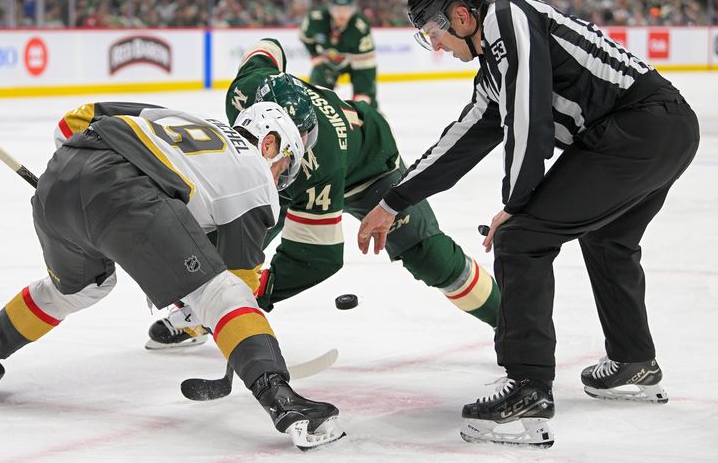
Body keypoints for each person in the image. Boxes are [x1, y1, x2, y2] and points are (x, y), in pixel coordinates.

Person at [357, 0, 699, 448]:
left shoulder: (508, 17)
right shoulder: (493, 71)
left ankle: (528, 386)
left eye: (433, 31)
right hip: (660, 130)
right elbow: (456, 146)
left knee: (521, 238)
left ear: (460, 16)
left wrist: (516, 206)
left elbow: (529, 122)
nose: (434, 45)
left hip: (640, 126)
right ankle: (634, 361)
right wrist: (392, 202)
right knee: (608, 238)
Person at [0, 102, 345, 451]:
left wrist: (75, 181)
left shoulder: (179, 117)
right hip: (125, 192)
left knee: (76, 289)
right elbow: (233, 288)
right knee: (224, 295)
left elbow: (75, 120)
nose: (281, 174)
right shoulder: (256, 175)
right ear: (269, 142)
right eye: (285, 162)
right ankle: (284, 401)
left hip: (61, 179)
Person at [146, 37, 500, 349]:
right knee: (227, 235)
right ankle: (203, 312)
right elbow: (268, 47)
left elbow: (316, 256)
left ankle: (510, 322)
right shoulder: (245, 91)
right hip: (281, 171)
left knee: (429, 255)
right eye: (296, 141)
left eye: (305, 139)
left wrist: (260, 290)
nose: (303, 147)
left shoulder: (318, 160)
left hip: (369, 171)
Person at [299, 0, 378, 109]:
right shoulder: (316, 19)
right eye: (337, 9)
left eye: (347, 9)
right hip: (327, 61)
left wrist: (364, 93)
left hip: (355, 63)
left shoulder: (360, 28)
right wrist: (314, 54)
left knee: (366, 102)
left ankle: (373, 121)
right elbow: (305, 37)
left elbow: (366, 64)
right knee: (315, 96)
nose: (342, 14)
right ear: (329, 8)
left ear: (353, 9)